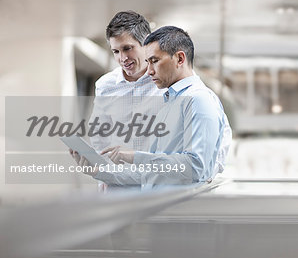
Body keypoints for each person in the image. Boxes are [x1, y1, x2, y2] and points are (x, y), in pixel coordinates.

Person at [72, 11, 231, 188]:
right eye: (116, 51)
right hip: (125, 185)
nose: (123, 58)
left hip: (165, 193)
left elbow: (201, 161)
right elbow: (101, 139)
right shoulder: (107, 86)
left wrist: (205, 175)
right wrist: (103, 173)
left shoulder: (187, 95)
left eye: (128, 48)